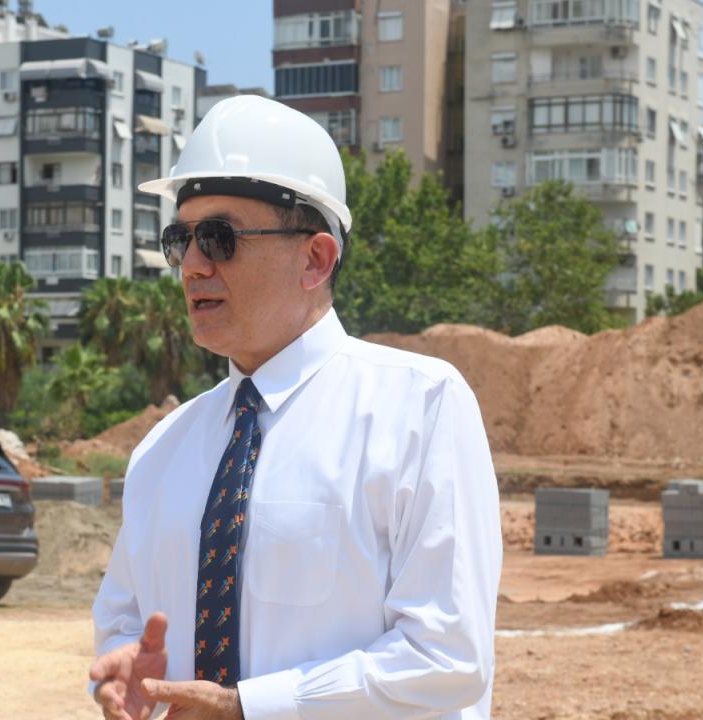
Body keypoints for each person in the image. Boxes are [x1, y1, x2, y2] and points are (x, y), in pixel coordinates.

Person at [89, 95, 502, 720]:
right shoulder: (162, 449)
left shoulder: (419, 409)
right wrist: (124, 671)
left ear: (315, 259)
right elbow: (123, 620)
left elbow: (448, 656)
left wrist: (250, 707)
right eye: (181, 240)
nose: (192, 266)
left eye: (219, 238)